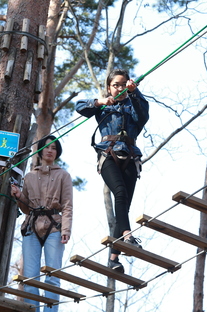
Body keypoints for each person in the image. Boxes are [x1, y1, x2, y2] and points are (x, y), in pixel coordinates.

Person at [75, 68, 149, 273]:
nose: (118, 88)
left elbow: (143, 114)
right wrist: (100, 102)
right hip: (108, 154)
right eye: (115, 84)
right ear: (109, 87)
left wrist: (134, 93)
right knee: (120, 192)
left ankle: (114, 258)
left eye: (122, 84)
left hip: (131, 155)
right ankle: (127, 236)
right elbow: (79, 107)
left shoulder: (134, 104)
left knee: (123, 203)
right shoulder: (103, 107)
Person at [11, 135, 73, 312]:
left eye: (54, 148)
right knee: (30, 277)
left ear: (57, 152)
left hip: (54, 226)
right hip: (32, 226)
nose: (50, 151)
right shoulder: (30, 177)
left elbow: (68, 205)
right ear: (39, 151)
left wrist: (66, 229)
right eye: (46, 147)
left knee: (52, 275)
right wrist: (19, 196)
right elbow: (27, 208)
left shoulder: (63, 175)